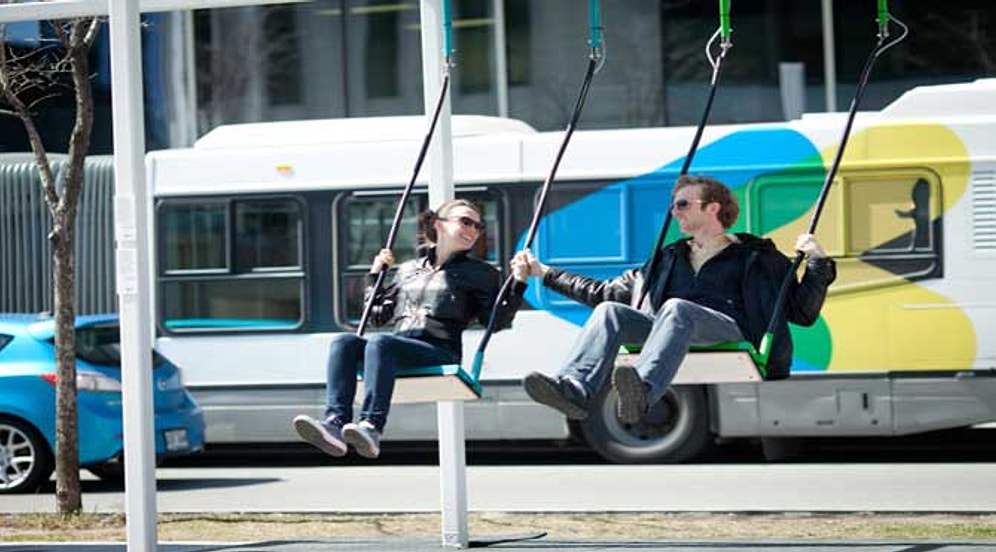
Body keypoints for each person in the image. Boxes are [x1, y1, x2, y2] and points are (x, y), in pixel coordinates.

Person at [513, 174, 837, 424]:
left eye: (682, 204)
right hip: (671, 326)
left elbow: (801, 312)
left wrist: (818, 263)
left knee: (676, 308)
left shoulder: (757, 256)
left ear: (712, 208)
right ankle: (575, 389)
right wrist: (545, 272)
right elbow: (604, 293)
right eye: (673, 205)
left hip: (731, 329)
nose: (674, 211)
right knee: (611, 310)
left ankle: (643, 390)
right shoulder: (668, 257)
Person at [293, 199, 530, 458]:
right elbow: (376, 317)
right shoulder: (407, 270)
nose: (473, 230)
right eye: (465, 222)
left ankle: (371, 426)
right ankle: (335, 425)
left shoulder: (481, 273)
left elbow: (496, 322)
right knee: (343, 342)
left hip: (438, 351)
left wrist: (517, 283)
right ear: (438, 225)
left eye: (478, 226)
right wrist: (374, 277)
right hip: (395, 351)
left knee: (380, 342)